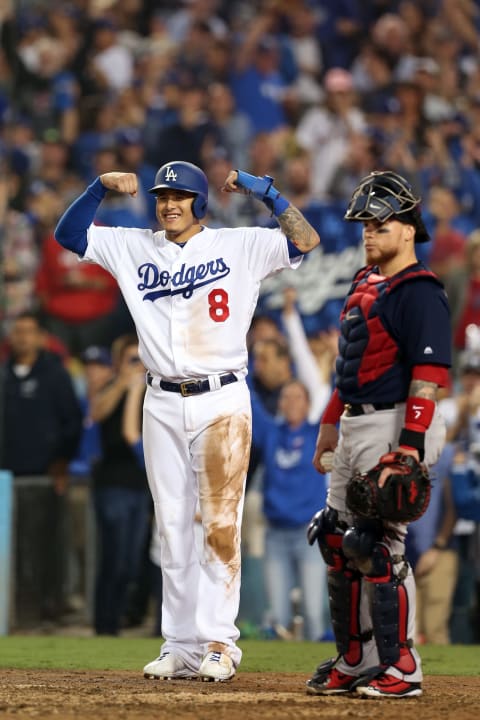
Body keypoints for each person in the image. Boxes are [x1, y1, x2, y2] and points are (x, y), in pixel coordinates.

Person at [54, 160, 319, 680]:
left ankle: (220, 642)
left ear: (199, 202)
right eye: (162, 196)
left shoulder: (238, 244)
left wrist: (269, 194)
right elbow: (69, 234)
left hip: (221, 399)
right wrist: (96, 189)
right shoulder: (134, 245)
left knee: (221, 524)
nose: (169, 203)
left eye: (179, 195)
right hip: (160, 401)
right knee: (172, 528)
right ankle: (179, 643)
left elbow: (304, 241)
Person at [306, 170, 451, 698]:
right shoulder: (365, 283)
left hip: (393, 423)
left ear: (409, 229)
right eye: (365, 225)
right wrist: (328, 423)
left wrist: (409, 448)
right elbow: (351, 366)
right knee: (336, 539)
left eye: (380, 224)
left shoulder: (420, 291)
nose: (369, 233)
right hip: (354, 421)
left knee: (379, 546)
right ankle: (358, 657)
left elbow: (430, 375)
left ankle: (403, 666)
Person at [89, 334, 151, 636]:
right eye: (130, 359)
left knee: (130, 561)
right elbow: (96, 412)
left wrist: (138, 389)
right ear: (118, 362)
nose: (136, 365)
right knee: (112, 557)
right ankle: (104, 624)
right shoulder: (110, 387)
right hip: (112, 484)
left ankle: (117, 620)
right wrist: (124, 383)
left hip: (140, 486)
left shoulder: (151, 391)